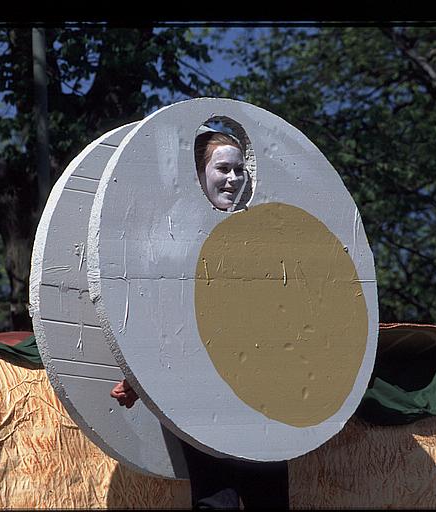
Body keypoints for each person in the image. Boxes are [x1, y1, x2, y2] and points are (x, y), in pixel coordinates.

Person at [111, 131, 289, 509]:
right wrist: (137, 377)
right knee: (216, 499)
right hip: (197, 384)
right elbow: (160, 315)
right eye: (222, 168)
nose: (233, 178)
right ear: (198, 174)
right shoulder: (172, 234)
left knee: (270, 497)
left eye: (239, 170)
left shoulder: (254, 235)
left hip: (258, 387)